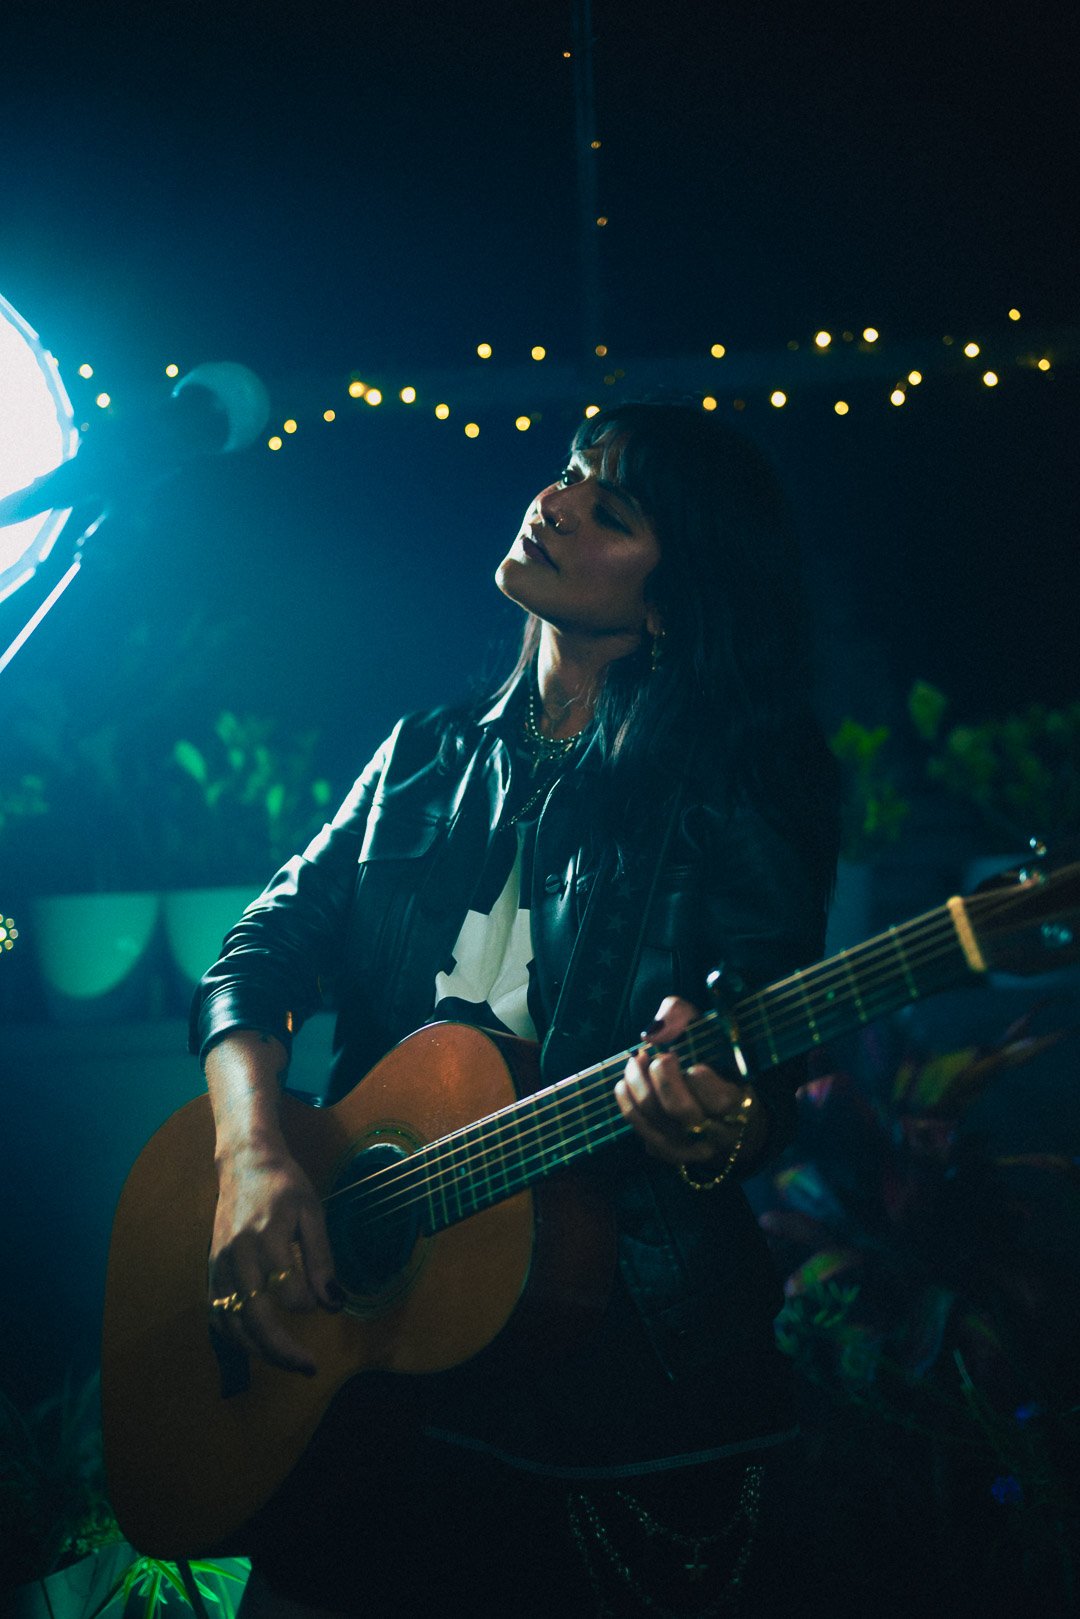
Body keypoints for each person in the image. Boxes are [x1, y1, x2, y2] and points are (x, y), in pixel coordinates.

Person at [191, 400, 841, 1616]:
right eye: (566, 476)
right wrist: (250, 1152)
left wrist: (721, 1117)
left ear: (676, 592)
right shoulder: (423, 757)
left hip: (616, 1363)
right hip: (372, 1358)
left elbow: (770, 1043)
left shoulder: (744, 776)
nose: (556, 503)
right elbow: (260, 949)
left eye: (614, 509)